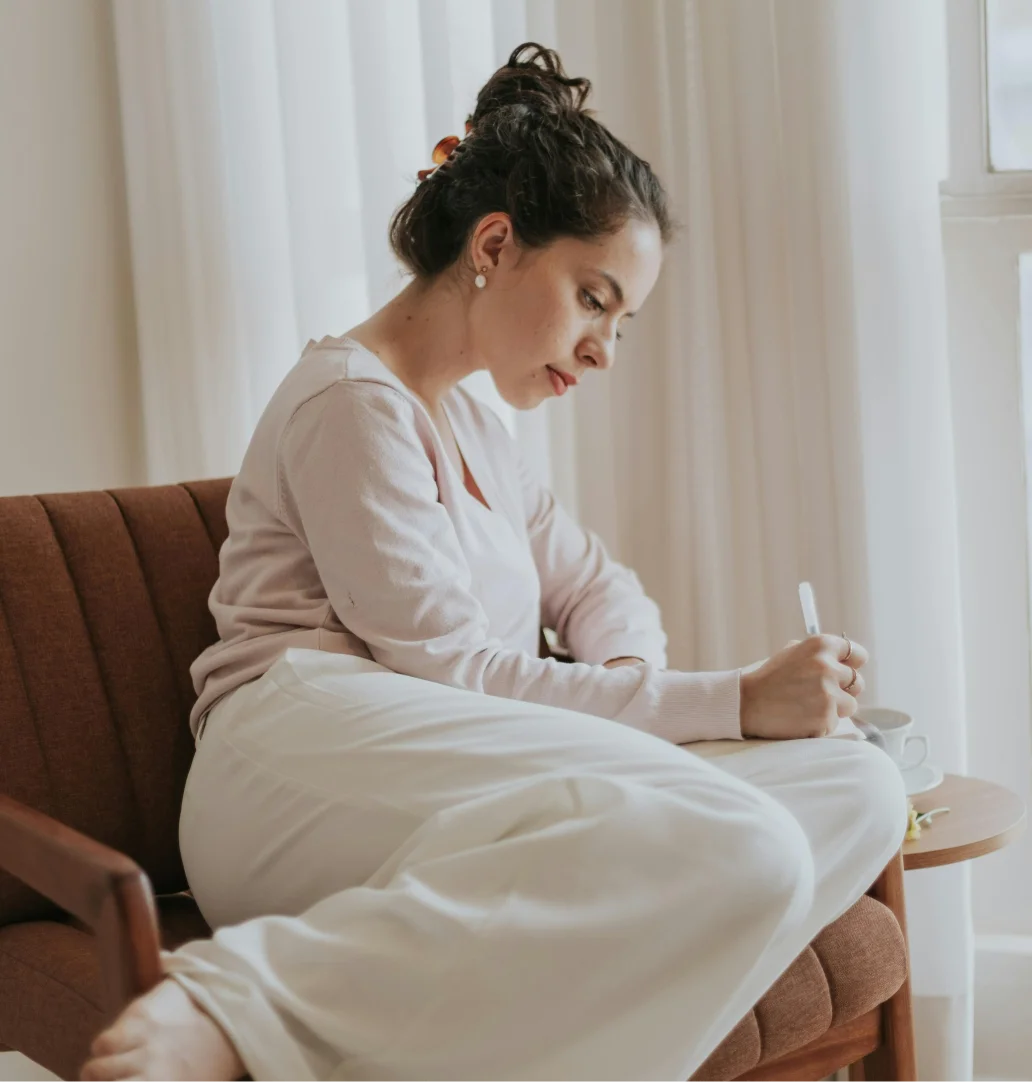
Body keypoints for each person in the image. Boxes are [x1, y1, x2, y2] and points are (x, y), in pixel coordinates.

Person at [80, 42, 906, 1082]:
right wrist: (730, 699)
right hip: (298, 756)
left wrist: (642, 696)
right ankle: (240, 994)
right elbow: (453, 669)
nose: (606, 347)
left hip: (455, 767)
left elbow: (597, 586)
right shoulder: (350, 402)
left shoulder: (477, 428)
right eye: (594, 297)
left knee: (859, 784)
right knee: (749, 840)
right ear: (497, 243)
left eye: (624, 320)